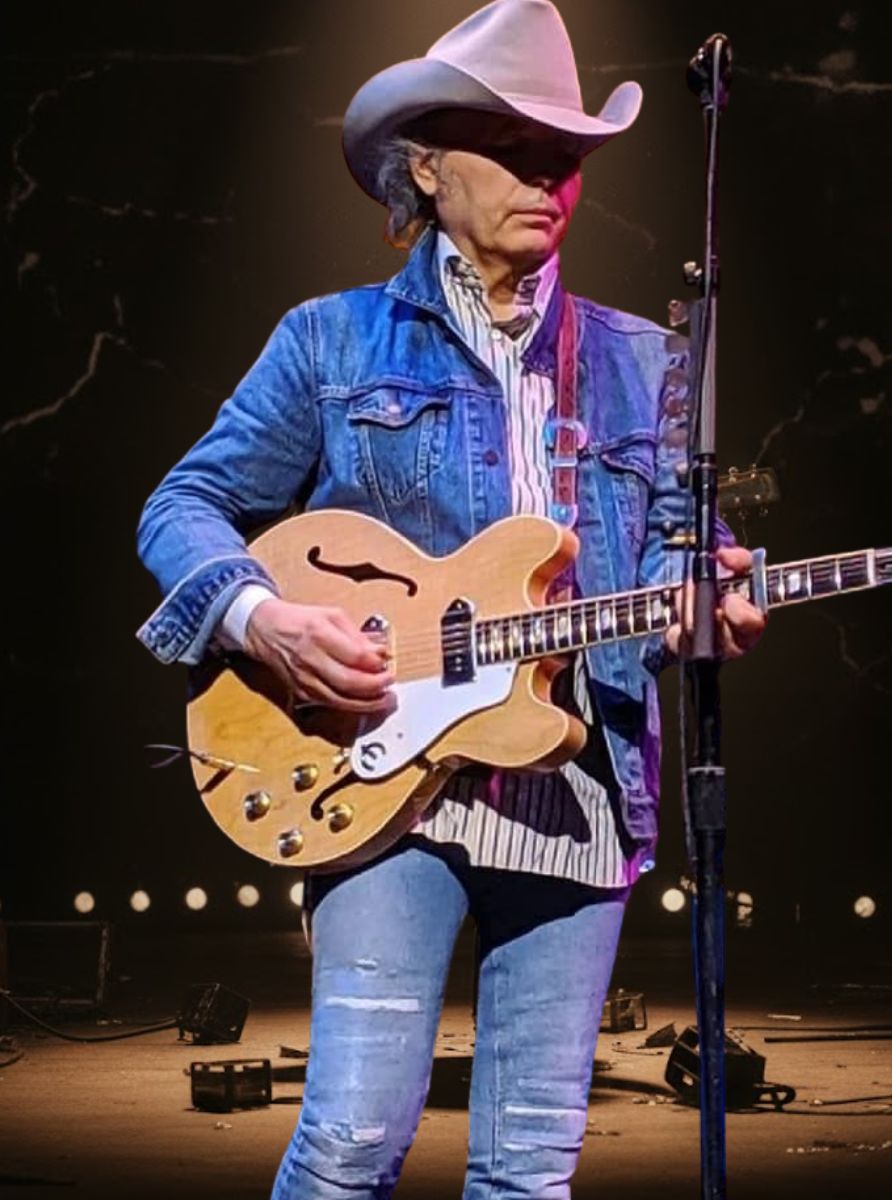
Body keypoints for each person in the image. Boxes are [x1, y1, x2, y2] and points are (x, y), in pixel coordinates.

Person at [136, 2, 765, 1196]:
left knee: (529, 1169)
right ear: (424, 167)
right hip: (380, 785)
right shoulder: (330, 342)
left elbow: (681, 546)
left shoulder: (645, 359)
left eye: (563, 155)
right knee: (351, 1142)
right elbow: (183, 506)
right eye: (511, 147)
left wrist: (705, 598)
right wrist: (265, 620)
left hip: (575, 792)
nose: (546, 177)